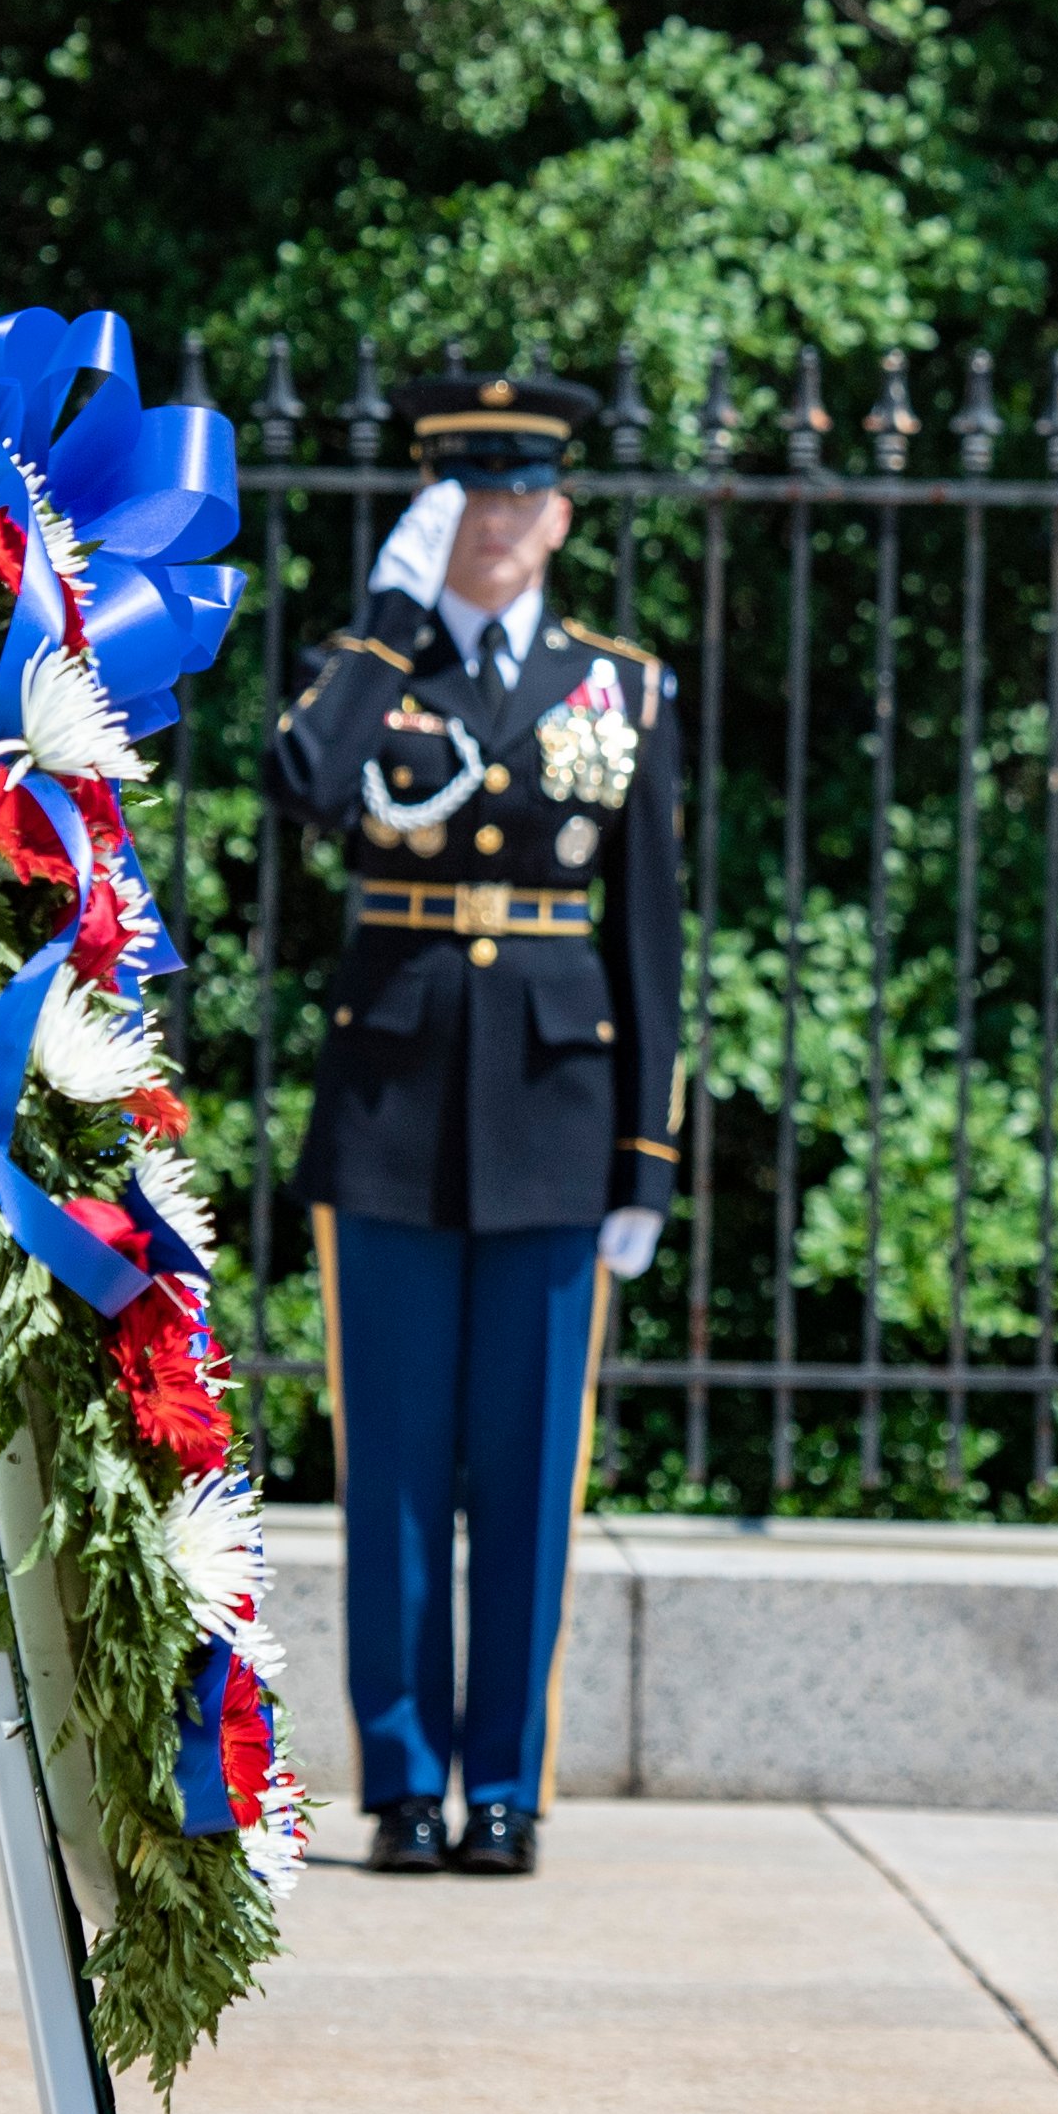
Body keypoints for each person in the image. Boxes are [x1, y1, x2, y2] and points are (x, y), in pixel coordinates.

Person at [267, 373, 683, 1881]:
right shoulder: (371, 666)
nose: (495, 525)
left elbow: (652, 935)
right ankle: (400, 1779)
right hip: (388, 1107)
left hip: (559, 1121)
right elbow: (305, 785)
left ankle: (503, 1783)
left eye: (519, 499)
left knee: (523, 1472)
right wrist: (385, 618)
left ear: (561, 514)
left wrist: (649, 1152)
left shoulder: (620, 686)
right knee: (388, 1469)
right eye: (465, 500)